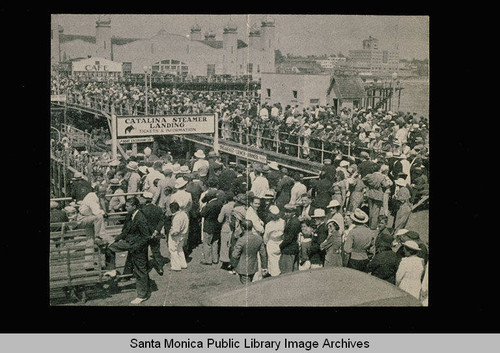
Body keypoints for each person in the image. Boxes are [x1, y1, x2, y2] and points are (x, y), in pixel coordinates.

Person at [104, 197, 151, 304]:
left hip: (138, 247)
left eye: (128, 206)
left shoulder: (141, 218)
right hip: (129, 242)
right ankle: (111, 270)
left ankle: (142, 295)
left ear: (134, 207)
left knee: (140, 270)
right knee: (110, 247)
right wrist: (115, 239)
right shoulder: (130, 215)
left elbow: (146, 237)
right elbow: (125, 231)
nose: (125, 207)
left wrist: (135, 247)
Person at [232, 220, 268, 284]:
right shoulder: (258, 238)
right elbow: (263, 254)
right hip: (253, 266)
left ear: (243, 228)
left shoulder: (241, 240)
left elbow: (235, 255)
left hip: (242, 267)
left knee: (246, 286)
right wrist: (264, 266)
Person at [140, 191, 166, 276]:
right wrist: (156, 231)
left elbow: (142, 223)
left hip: (145, 234)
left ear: (145, 199)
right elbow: (162, 220)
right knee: (156, 251)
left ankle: (145, 268)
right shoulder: (158, 209)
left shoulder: (142, 210)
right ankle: (160, 268)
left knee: (144, 251)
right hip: (155, 234)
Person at [200, 190, 223, 265]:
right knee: (215, 242)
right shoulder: (220, 203)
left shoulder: (209, 205)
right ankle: (215, 259)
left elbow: (202, 214)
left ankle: (208, 260)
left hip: (209, 225)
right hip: (217, 225)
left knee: (207, 243)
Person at [263, 205, 285, 277]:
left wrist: (266, 243)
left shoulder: (269, 225)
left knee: (273, 261)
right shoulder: (283, 222)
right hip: (280, 242)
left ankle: (274, 274)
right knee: (277, 260)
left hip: (272, 243)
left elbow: (266, 237)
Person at [279, 203, 300, 274]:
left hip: (289, 250)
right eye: (286, 211)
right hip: (292, 248)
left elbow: (289, 238)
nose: (286, 213)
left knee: (286, 271)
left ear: (293, 212)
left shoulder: (293, 222)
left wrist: (281, 245)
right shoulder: (292, 220)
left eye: (288, 212)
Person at [167, 202, 189, 272]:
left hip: (176, 236)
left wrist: (171, 232)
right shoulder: (184, 214)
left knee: (173, 250)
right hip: (183, 234)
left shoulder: (177, 218)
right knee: (180, 249)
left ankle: (176, 266)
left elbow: (176, 230)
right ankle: (183, 264)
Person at [217, 191, 235, 271]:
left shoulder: (225, 207)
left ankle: (225, 262)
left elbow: (220, 220)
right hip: (233, 228)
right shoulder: (236, 206)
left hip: (226, 227)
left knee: (224, 245)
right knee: (232, 245)